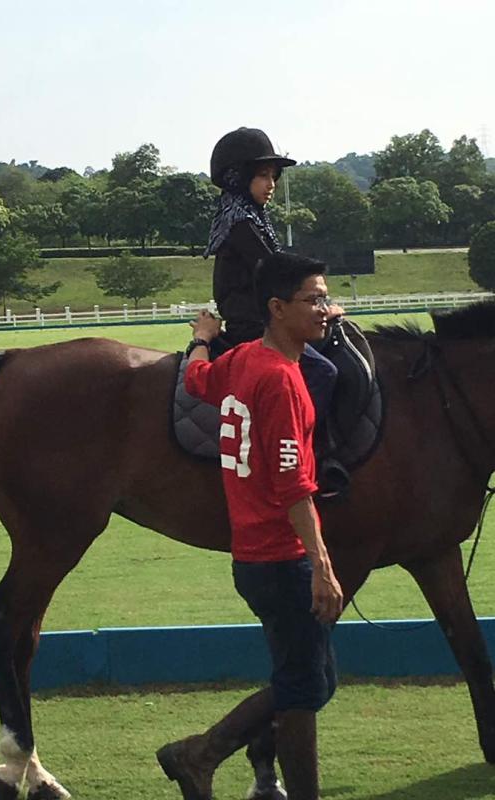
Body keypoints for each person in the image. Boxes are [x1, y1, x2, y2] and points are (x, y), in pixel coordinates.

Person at [157, 252, 343, 800]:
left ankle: (203, 755)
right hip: (282, 559)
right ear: (277, 308)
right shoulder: (282, 381)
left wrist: (200, 337)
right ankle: (199, 754)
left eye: (325, 298)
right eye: (313, 300)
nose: (324, 309)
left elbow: (197, 379)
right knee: (303, 686)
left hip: (253, 558)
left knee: (312, 680)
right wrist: (322, 567)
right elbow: (293, 487)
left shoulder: (241, 359)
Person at [205, 126, 340, 431]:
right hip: (255, 327)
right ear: (239, 178)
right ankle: (300, 439)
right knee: (324, 372)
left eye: (274, 177)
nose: (272, 185)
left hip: (264, 320)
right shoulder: (241, 223)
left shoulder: (249, 217)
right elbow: (280, 273)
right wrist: (321, 307)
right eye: (263, 175)